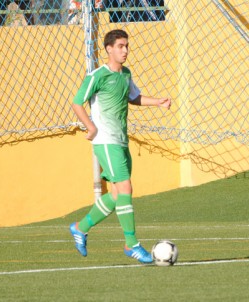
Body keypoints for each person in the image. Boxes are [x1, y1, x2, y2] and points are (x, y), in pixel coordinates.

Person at [70, 29, 171, 264]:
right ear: (109, 49)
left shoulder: (125, 74)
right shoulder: (98, 75)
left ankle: (80, 227)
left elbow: (133, 97)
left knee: (116, 195)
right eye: (120, 46)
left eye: (126, 46)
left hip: (121, 141)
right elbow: (77, 102)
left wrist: (157, 102)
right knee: (125, 188)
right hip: (105, 141)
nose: (125, 50)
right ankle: (131, 244)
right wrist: (91, 128)